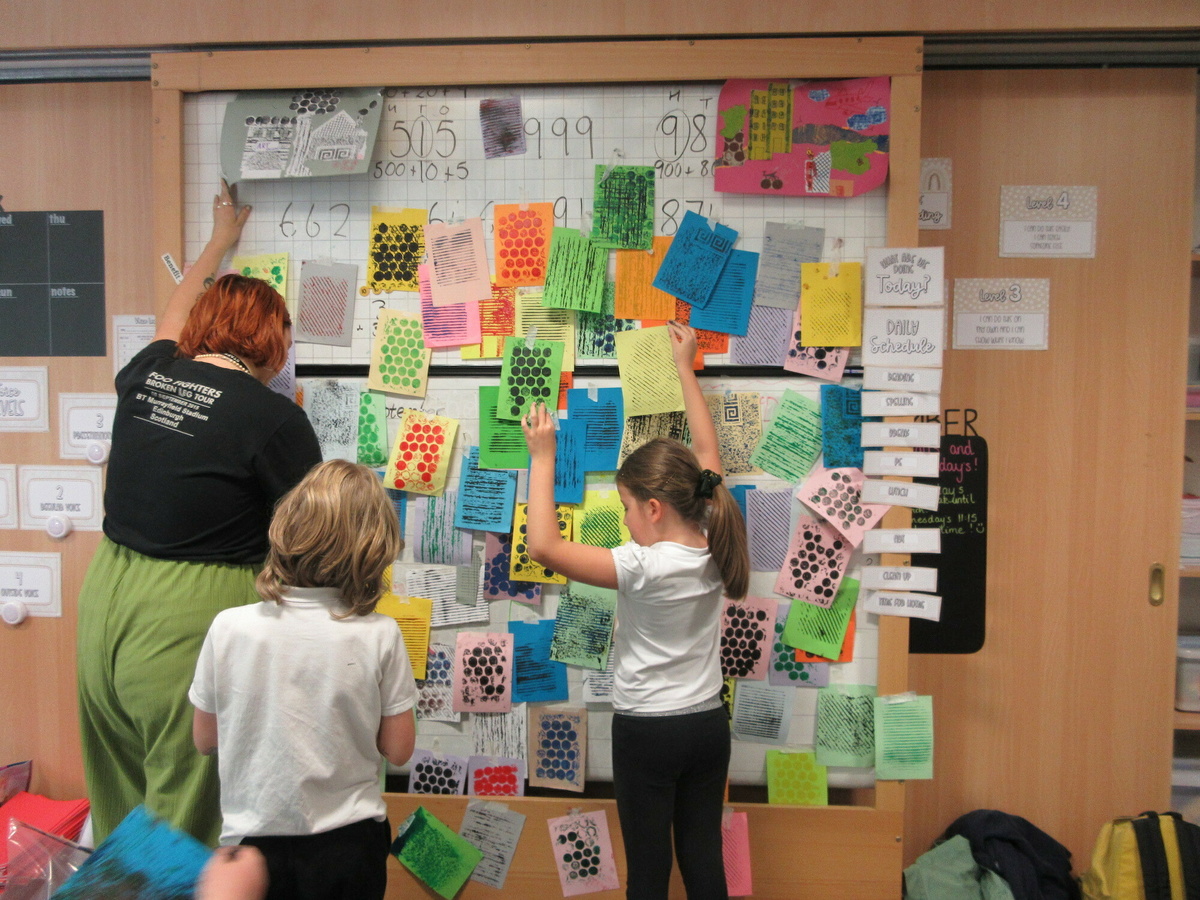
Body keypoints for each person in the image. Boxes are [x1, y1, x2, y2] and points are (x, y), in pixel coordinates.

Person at [76, 180, 323, 847]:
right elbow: (316, 546)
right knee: (184, 825)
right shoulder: (274, 418)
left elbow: (172, 315)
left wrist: (219, 239)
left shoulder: (148, 372)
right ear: (273, 347)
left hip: (105, 602)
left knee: (123, 810)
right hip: (185, 618)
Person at [521, 320, 749, 900]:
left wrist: (543, 455)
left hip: (648, 732)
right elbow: (706, 456)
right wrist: (684, 368)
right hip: (706, 725)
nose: (622, 521)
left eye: (625, 508)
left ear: (653, 508)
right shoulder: (713, 537)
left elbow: (543, 546)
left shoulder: (642, 565)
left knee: (648, 873)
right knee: (703, 865)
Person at [189, 459, 417, 900]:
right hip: (350, 843)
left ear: (288, 528)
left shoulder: (229, 627)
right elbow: (399, 749)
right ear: (374, 550)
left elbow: (204, 740)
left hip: (254, 846)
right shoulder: (380, 634)